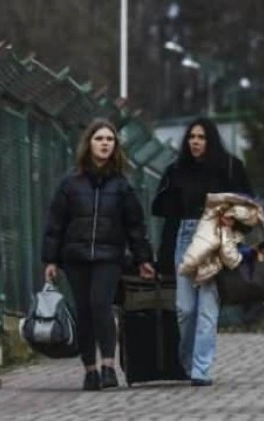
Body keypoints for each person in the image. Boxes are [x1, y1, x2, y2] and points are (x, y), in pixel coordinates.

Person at [41, 118, 155, 391]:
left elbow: (135, 226)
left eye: (110, 139)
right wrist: (51, 260)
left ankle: (108, 366)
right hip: (75, 257)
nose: (105, 143)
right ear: (88, 144)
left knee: (100, 305)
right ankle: (90, 369)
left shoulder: (122, 186)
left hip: (108, 256)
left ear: (115, 146)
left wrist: (143, 259)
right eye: (99, 139)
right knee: (84, 311)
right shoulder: (70, 184)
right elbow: (55, 224)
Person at [151, 117, 252, 386]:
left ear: (211, 140)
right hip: (184, 237)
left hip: (215, 238)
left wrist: (233, 220)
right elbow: (165, 212)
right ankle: (185, 362)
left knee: (208, 307)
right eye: (192, 137)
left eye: (202, 137)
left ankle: (201, 369)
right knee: (185, 309)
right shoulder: (176, 171)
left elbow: (249, 205)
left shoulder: (229, 168)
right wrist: (162, 256)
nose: (196, 142)